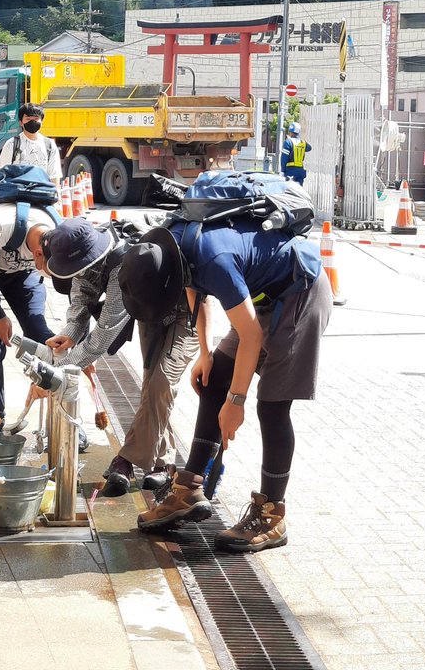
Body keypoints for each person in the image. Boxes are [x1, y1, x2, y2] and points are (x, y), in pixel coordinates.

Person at [122, 218, 333, 554]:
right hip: (262, 298)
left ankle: (271, 513)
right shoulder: (168, 246)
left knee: (271, 405)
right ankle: (189, 488)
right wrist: (205, 354)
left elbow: (252, 335)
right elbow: (195, 292)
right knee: (214, 376)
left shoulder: (214, 259)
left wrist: (236, 402)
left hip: (299, 295)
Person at [39, 217, 200, 497]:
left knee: (161, 383)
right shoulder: (83, 259)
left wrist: (52, 373)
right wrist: (69, 334)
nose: (76, 275)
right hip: (148, 309)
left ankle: (124, 460)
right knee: (154, 388)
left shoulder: (120, 265)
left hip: (185, 309)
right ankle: (161, 463)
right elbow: (80, 307)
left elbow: (101, 339)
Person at [0, 199, 59, 424]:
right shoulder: (0, 226)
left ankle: (59, 415)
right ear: (37, 255)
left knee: (41, 336)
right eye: (44, 267)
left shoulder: (57, 234)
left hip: (22, 275)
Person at [0, 103, 61, 185]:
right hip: (17, 195)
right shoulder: (12, 144)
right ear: (21, 122)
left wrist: (56, 195)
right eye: (28, 119)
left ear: (42, 121)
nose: (32, 122)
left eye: (36, 119)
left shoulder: (49, 145)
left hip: (42, 193)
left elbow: (54, 176)